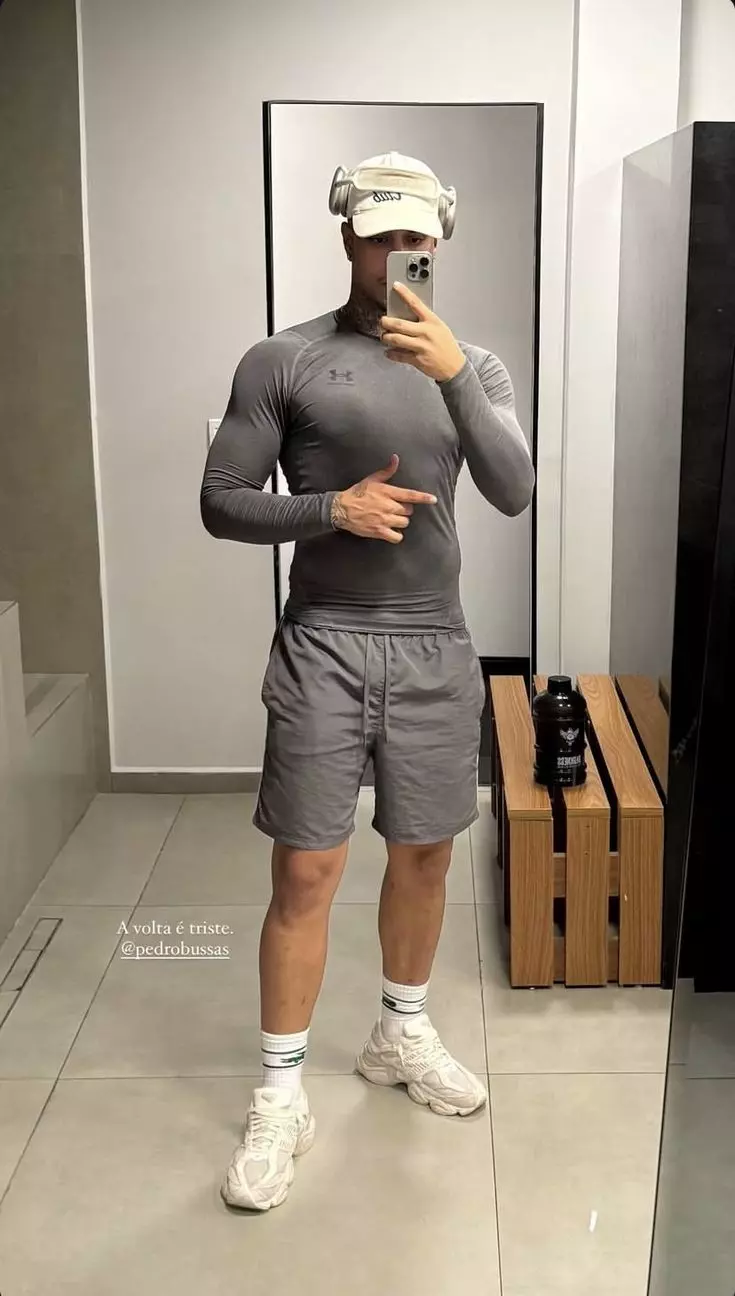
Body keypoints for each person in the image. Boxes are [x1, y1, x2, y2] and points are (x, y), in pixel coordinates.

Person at [200, 151, 535, 1212]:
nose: (397, 252)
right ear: (347, 234)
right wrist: (329, 510)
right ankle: (280, 1093)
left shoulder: (476, 366)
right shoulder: (283, 359)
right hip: (327, 641)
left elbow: (515, 490)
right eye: (379, 233)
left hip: (435, 644)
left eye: (414, 236)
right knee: (306, 871)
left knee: (426, 857)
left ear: (439, 238)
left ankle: (400, 1031)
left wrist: (450, 374)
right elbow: (221, 499)